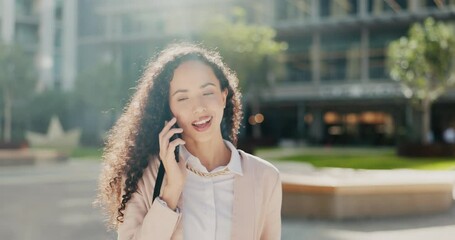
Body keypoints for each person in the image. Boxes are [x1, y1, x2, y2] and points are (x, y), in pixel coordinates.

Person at [95, 43, 282, 240]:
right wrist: (170, 192)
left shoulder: (265, 177)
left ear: (223, 96)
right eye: (183, 98)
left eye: (207, 92)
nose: (199, 108)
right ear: (169, 109)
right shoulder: (142, 176)